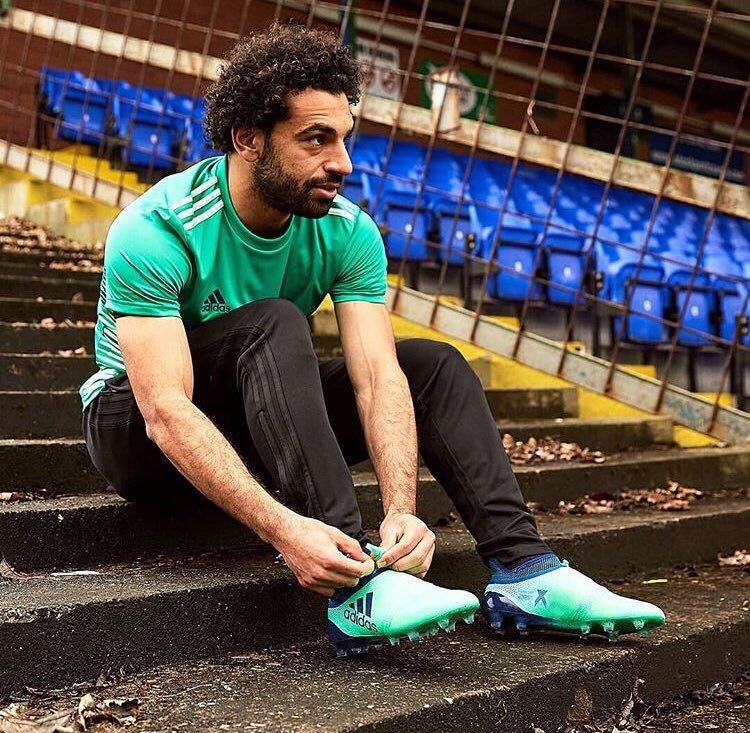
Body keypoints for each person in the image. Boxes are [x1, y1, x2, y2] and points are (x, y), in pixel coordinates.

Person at [79, 24, 664, 657]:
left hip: (250, 421)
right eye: (316, 139)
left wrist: (401, 510)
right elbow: (165, 411)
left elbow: (379, 377)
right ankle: (358, 585)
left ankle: (525, 572)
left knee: (432, 366)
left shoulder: (347, 231)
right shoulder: (158, 227)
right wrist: (284, 529)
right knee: (275, 322)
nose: (343, 163)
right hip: (138, 434)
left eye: (345, 138)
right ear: (248, 139)